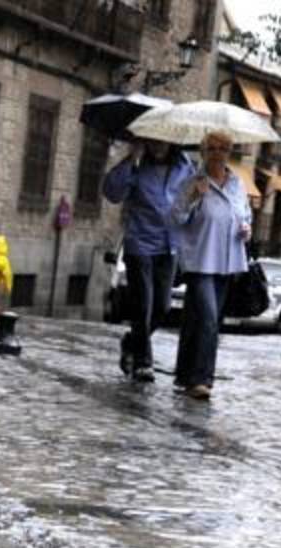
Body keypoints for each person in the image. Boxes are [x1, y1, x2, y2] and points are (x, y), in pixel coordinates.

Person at [102, 138, 195, 382]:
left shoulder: (186, 168)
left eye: (162, 141)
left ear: (171, 141)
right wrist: (131, 159)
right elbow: (112, 192)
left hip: (170, 245)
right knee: (142, 305)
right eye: (152, 141)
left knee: (162, 306)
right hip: (140, 243)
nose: (157, 145)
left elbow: (190, 207)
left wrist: (193, 206)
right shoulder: (137, 166)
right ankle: (144, 362)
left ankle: (131, 342)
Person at [169, 130, 251, 400]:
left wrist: (246, 226)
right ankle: (202, 380)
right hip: (200, 260)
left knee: (198, 320)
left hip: (227, 262)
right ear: (203, 152)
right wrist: (194, 197)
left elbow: (245, 213)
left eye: (223, 149)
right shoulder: (193, 181)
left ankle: (184, 374)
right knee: (208, 320)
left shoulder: (237, 184)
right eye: (212, 149)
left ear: (229, 153)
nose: (218, 154)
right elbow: (176, 217)